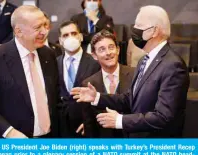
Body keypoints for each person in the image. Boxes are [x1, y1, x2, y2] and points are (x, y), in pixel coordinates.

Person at [71, 5, 189, 138]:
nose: (134, 30)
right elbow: (130, 98)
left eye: (139, 25)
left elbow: (163, 117)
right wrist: (97, 97)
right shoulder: (144, 60)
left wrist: (120, 120)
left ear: (154, 31)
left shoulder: (172, 65)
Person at [0, 5, 60, 138]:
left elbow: (54, 97)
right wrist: (9, 132)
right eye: (37, 28)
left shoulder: (49, 55)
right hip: (12, 142)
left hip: (48, 139)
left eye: (45, 26)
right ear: (18, 31)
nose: (44, 32)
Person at [82, 30, 135, 137]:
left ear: (118, 50)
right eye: (102, 49)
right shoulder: (88, 84)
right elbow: (89, 125)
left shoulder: (136, 75)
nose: (108, 52)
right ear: (94, 56)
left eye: (111, 47)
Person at [57, 21, 100, 137]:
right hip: (60, 128)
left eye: (74, 33)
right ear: (60, 40)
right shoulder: (54, 63)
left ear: (80, 37)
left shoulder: (95, 63)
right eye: (65, 35)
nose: (70, 37)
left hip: (86, 126)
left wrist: (91, 122)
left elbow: (102, 95)